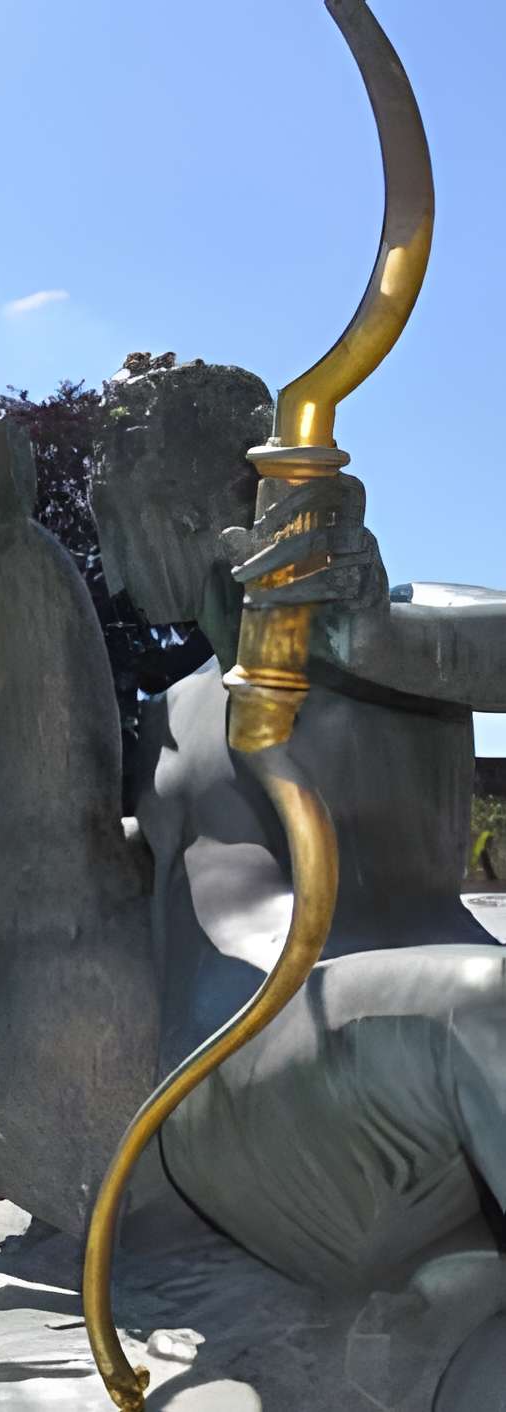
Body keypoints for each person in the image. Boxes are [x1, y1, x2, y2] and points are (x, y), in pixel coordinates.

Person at [90, 354, 506, 1066]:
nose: (115, 562)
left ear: (188, 515)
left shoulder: (394, 633)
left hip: (401, 1036)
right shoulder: (167, 715)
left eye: (125, 521)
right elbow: (169, 868)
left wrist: (377, 641)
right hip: (216, 1077)